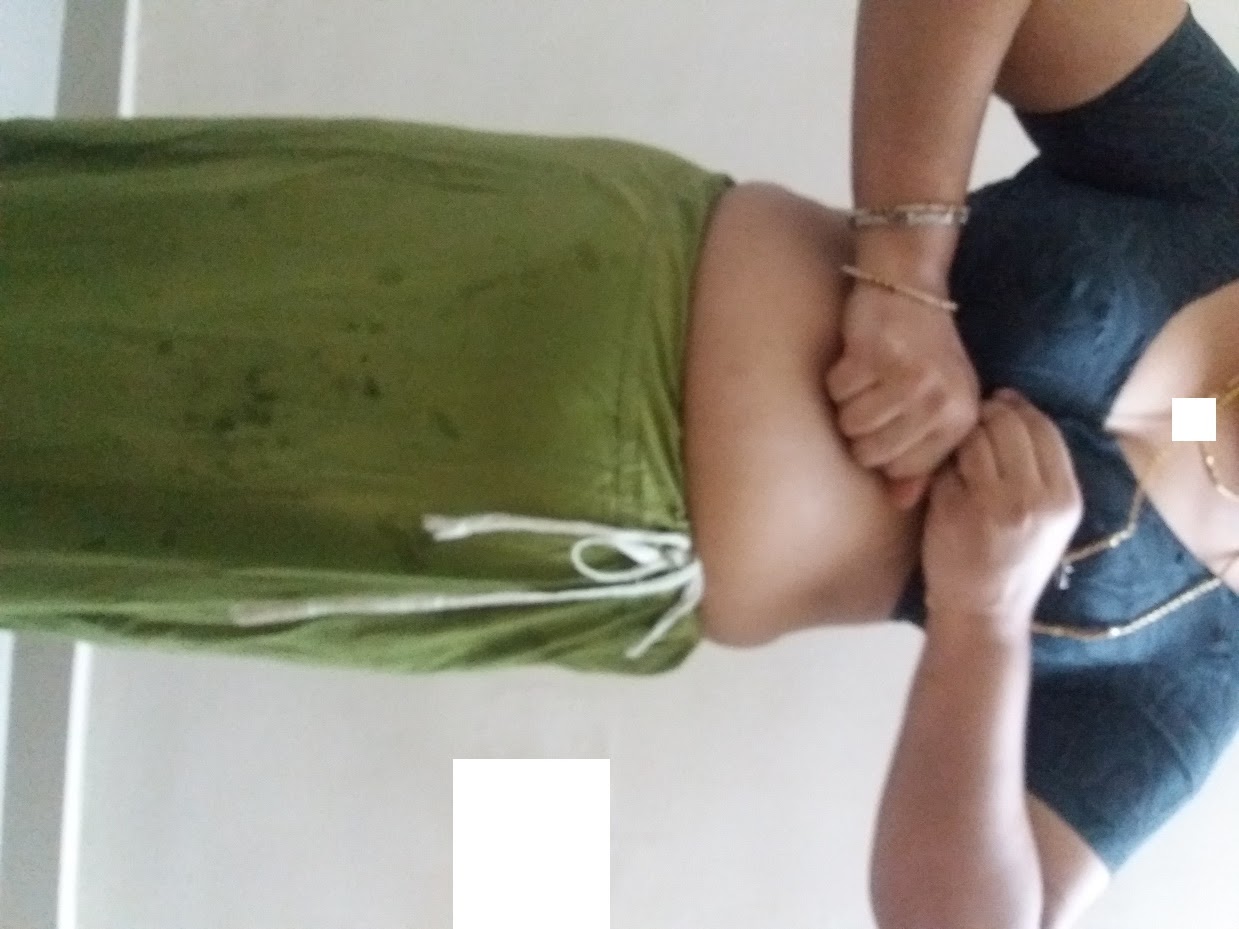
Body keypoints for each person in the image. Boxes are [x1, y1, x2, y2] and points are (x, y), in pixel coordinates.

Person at [0, 0, 1234, 924]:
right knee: (106, 261)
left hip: (527, 542)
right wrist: (906, 268)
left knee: (88, 489)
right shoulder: (1216, 183)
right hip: (557, 266)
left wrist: (984, 619)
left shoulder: (1205, 669)